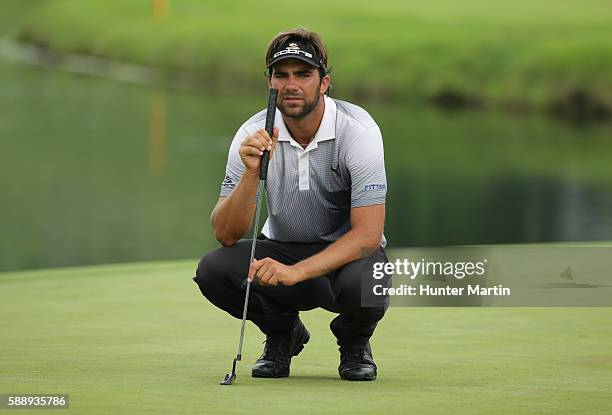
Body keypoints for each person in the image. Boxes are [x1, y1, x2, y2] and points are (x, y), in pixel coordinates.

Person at [193, 28, 391, 381]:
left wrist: (295, 273)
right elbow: (225, 233)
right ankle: (282, 334)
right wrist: (251, 175)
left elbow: (368, 236)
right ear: (270, 83)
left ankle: (354, 342)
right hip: (279, 249)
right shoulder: (252, 133)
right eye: (280, 75)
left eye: (303, 74)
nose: (291, 84)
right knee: (213, 269)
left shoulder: (358, 131)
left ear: (324, 82)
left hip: (343, 259)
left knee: (370, 277)